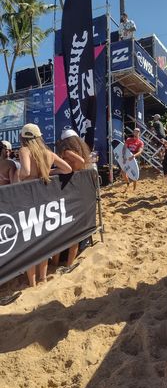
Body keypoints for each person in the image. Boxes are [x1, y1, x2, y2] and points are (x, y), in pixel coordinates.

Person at [19, 123, 72, 287]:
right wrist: (48, 172)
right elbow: (68, 169)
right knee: (41, 242)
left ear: (23, 137)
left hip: (28, 200)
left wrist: (18, 176)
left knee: (29, 243)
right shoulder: (48, 153)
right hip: (45, 200)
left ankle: (33, 283)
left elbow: (26, 172)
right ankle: (43, 278)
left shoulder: (24, 151)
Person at [54, 129, 92, 267]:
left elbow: (80, 162)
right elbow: (83, 162)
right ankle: (69, 264)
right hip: (82, 190)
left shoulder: (66, 151)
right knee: (74, 232)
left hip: (71, 190)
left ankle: (57, 263)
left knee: (64, 233)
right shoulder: (81, 149)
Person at [122, 127, 144, 191]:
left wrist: (134, 156)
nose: (136, 132)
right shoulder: (128, 140)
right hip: (127, 158)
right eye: (135, 131)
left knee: (134, 173)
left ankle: (134, 189)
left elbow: (140, 151)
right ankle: (128, 183)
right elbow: (124, 148)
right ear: (133, 132)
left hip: (135, 159)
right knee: (123, 172)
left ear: (139, 133)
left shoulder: (140, 142)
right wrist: (123, 156)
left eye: (138, 131)